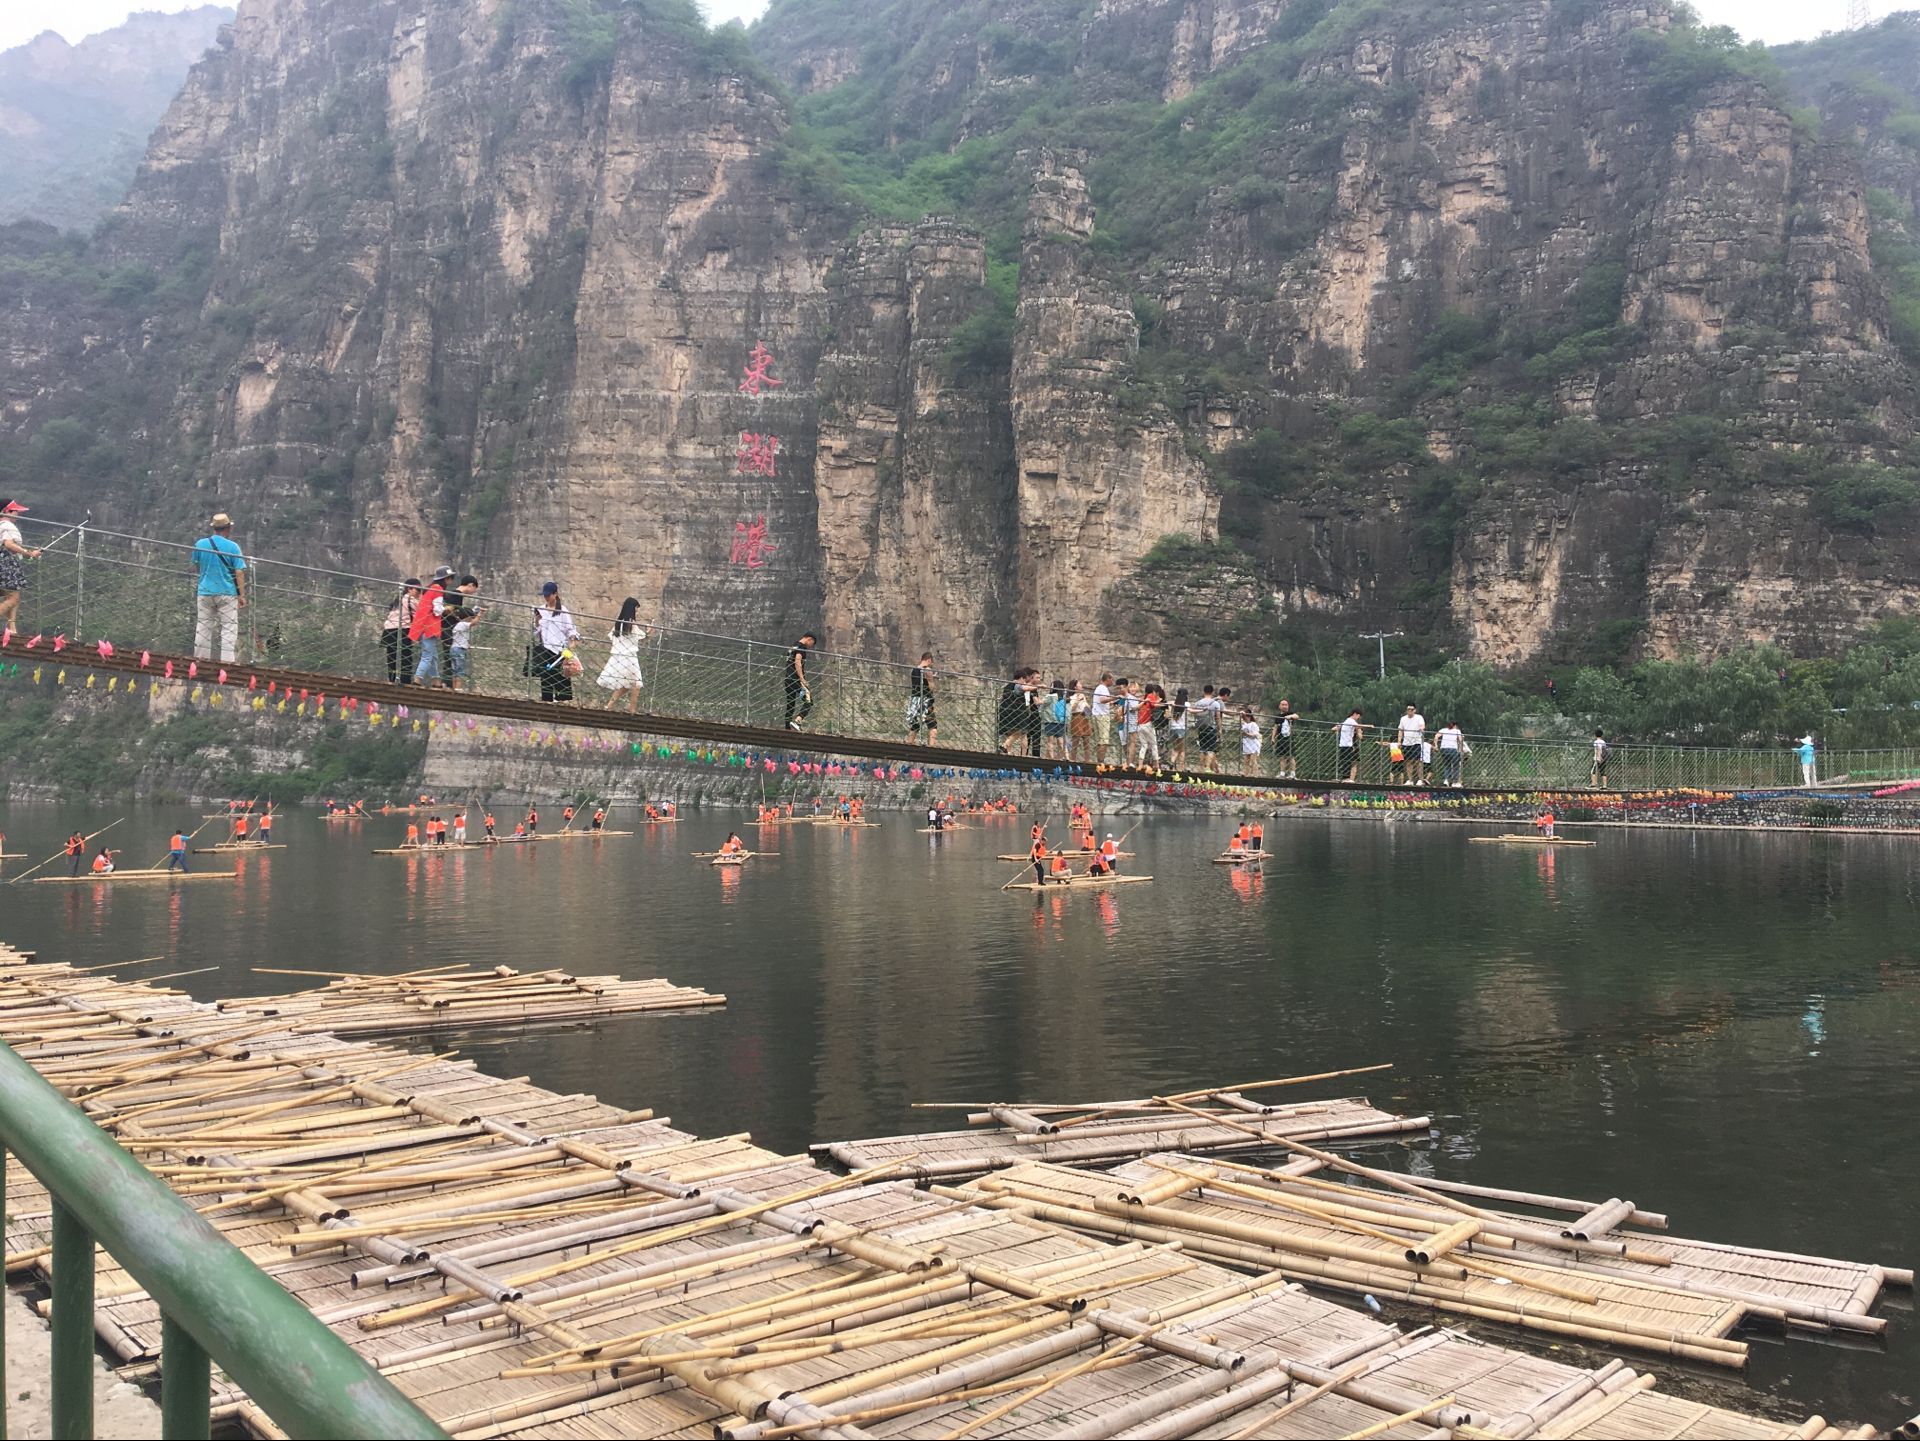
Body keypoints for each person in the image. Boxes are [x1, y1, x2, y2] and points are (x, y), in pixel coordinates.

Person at [192, 512, 249, 663]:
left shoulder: (200, 544)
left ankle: (200, 659)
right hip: (227, 593)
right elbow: (239, 572)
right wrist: (241, 595)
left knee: (203, 626)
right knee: (229, 628)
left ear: (214, 529)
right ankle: (227, 661)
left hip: (205, 591)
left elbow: (197, 565)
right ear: (228, 528)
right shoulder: (233, 547)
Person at [532, 582, 582, 702]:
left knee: (561, 682)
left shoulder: (563, 611)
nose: (546, 598)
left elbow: (570, 629)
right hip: (545, 650)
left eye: (548, 595)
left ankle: (562, 705)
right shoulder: (541, 609)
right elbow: (538, 631)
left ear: (555, 594)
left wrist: (573, 640)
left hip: (560, 651)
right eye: (545, 596)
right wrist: (537, 621)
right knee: (546, 681)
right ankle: (547, 705)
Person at [0, 499, 42, 632]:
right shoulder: (7, 525)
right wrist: (28, 553)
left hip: (4, 562)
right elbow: (8, 544)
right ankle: (11, 628)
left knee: (12, 595)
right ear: (7, 511)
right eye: (16, 511)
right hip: (6, 563)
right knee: (13, 597)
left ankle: (12, 628)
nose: (18, 514)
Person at [598, 597, 646, 712]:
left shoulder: (618, 623)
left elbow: (614, 636)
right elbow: (639, 637)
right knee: (636, 683)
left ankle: (609, 706)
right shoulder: (630, 622)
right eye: (636, 609)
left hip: (619, 657)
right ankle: (632, 709)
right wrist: (649, 632)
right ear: (632, 608)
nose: (637, 612)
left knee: (625, 685)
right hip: (629, 658)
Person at [410, 567, 454, 686]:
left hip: (423, 625)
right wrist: (447, 609)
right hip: (430, 626)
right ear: (446, 579)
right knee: (427, 656)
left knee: (433, 655)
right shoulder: (438, 590)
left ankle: (436, 681)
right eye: (450, 578)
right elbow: (437, 610)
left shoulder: (430, 589)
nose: (451, 581)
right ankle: (417, 679)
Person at [445, 577, 483, 692]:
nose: (473, 593)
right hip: (457, 647)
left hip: (453, 644)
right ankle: (456, 688)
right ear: (470, 585)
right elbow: (474, 622)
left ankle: (450, 685)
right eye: (474, 589)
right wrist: (480, 614)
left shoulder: (459, 626)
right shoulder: (457, 595)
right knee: (459, 670)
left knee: (453, 667)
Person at [382, 580, 421, 683]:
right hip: (402, 630)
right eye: (418, 589)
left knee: (391, 656)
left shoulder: (397, 600)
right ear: (409, 589)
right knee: (406, 656)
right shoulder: (410, 599)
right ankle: (405, 680)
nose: (419, 592)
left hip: (389, 630)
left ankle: (392, 679)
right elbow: (420, 613)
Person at [785, 632, 816, 730]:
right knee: (809, 700)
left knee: (791, 703)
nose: (811, 646)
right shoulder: (802, 647)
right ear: (809, 639)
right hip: (796, 680)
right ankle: (797, 721)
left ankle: (787, 727)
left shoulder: (793, 646)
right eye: (812, 643)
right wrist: (802, 679)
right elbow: (797, 661)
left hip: (788, 679)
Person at [908, 653, 938, 745]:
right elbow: (931, 687)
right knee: (932, 726)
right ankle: (931, 746)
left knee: (915, 725)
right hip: (925, 700)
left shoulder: (914, 670)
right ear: (929, 660)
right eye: (931, 662)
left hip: (915, 700)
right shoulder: (927, 670)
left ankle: (910, 743)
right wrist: (932, 679)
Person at [1194, 685, 1222, 773]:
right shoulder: (1215, 703)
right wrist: (1219, 729)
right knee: (1210, 749)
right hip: (1211, 727)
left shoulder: (1198, 703)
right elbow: (1217, 717)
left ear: (1204, 691)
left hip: (1201, 727)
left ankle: (1201, 768)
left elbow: (1195, 714)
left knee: (1202, 749)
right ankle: (1207, 768)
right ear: (1212, 692)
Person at [1397, 705, 1426, 785]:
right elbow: (1400, 730)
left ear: (1415, 710)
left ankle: (1420, 779)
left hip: (1416, 741)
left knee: (1417, 761)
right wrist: (1399, 741)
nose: (1410, 711)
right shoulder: (1403, 719)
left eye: (1411, 709)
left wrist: (1421, 728)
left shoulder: (1419, 717)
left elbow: (1422, 725)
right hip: (1406, 742)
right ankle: (1410, 780)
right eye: (1408, 709)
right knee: (1408, 761)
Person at [1090, 674, 1114, 764]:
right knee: (1104, 740)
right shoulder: (1103, 688)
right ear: (1108, 679)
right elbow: (1102, 700)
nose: (1113, 682)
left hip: (1096, 714)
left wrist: (1111, 702)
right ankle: (1101, 761)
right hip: (1102, 716)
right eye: (1112, 679)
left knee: (1099, 740)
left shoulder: (1099, 688)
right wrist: (1115, 697)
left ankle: (1099, 761)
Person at [1336, 709, 1365, 782]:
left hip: (1351, 744)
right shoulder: (1350, 721)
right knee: (1348, 762)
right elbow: (1360, 735)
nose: (1358, 718)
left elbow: (1360, 735)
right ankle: (1347, 778)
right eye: (1358, 716)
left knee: (1351, 762)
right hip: (1349, 745)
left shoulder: (1348, 722)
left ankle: (1350, 779)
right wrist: (1369, 726)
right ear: (1355, 714)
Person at [1436, 721, 1466, 788]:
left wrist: (1436, 745)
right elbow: (1460, 740)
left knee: (1446, 765)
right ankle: (1455, 782)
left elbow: (1436, 736)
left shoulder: (1443, 730)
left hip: (1443, 749)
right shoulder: (1457, 731)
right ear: (1454, 726)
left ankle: (1446, 780)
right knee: (1456, 766)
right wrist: (1461, 749)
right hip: (1453, 749)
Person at [1043, 679, 1068, 759]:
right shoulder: (1064, 698)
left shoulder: (1050, 696)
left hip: (1050, 721)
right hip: (1061, 721)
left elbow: (1041, 703)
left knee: (1050, 741)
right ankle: (1066, 757)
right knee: (1061, 742)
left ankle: (1052, 758)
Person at [1271, 701, 1295, 780]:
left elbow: (1297, 716)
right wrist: (1273, 737)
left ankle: (1292, 773)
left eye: (1286, 705)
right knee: (1282, 756)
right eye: (1283, 705)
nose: (1284, 706)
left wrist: (1290, 716)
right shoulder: (1278, 716)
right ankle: (1282, 773)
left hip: (1289, 738)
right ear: (1279, 706)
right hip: (1281, 737)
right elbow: (1275, 727)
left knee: (1290, 756)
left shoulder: (1290, 713)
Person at [1068, 680, 1090, 762]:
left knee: (1087, 740)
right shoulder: (1071, 697)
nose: (1081, 685)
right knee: (1075, 741)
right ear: (1075, 687)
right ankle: (1073, 759)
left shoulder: (1083, 696)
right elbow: (1072, 709)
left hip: (1085, 717)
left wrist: (1087, 707)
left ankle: (1087, 760)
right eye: (1079, 684)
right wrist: (1078, 700)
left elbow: (1087, 708)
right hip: (1076, 717)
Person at [1167, 688, 1189, 768]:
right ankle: (1181, 767)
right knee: (1182, 749)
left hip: (1173, 728)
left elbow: (1168, 704)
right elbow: (1193, 710)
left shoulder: (1174, 703)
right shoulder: (1186, 704)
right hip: (1181, 729)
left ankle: (1172, 763)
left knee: (1175, 748)